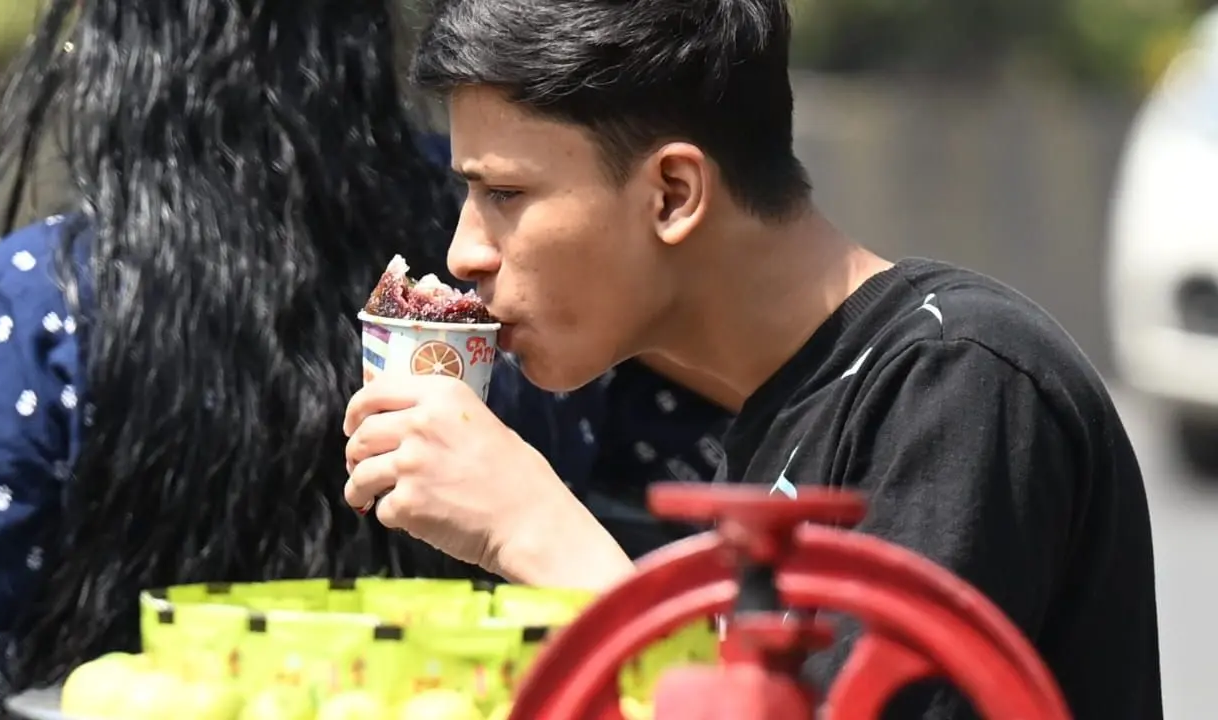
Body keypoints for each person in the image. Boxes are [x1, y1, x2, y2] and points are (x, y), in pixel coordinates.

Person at [341, 0, 1164, 717]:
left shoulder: (960, 382)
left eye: (505, 196)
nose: (463, 251)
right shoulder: (782, 405)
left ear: (673, 194)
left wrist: (532, 530)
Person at [0, 0, 732, 711]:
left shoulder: (40, 301)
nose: (467, 254)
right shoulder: (538, 251)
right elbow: (708, 528)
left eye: (500, 195)